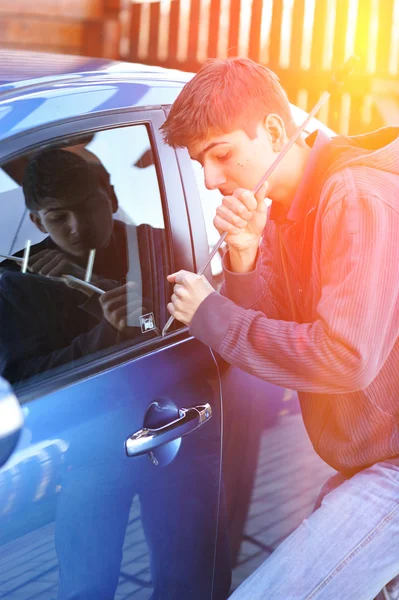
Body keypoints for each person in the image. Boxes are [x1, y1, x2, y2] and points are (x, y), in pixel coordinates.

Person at [160, 57, 399, 599]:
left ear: (273, 131)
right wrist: (243, 263)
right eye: (200, 163)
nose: (211, 179)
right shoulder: (286, 213)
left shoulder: (353, 196)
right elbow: (274, 337)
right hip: (365, 463)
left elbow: (345, 357)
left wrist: (210, 313)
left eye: (221, 154)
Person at [0, 149, 159, 384]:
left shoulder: (155, 245)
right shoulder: (14, 283)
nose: (78, 227)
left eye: (89, 207)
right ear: (39, 223)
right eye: (58, 217)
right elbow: (23, 380)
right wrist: (106, 334)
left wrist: (91, 282)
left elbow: (176, 322)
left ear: (112, 199)